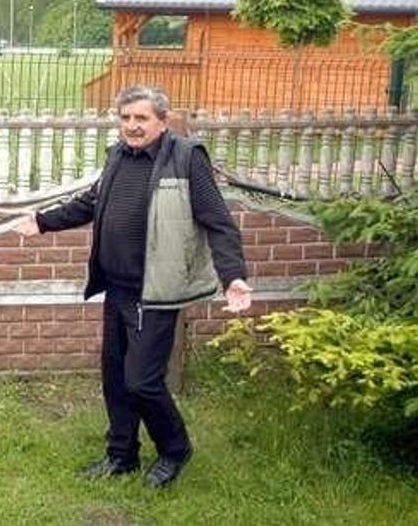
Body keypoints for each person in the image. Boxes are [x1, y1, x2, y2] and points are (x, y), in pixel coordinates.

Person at [15, 85, 252, 488]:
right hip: (118, 288)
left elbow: (218, 221)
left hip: (156, 292)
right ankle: (121, 455)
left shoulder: (185, 158)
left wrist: (234, 277)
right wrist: (42, 221)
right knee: (115, 377)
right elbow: (92, 203)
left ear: (162, 120)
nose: (131, 126)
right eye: (125, 118)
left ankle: (174, 450)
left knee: (141, 380)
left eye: (140, 118)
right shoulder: (117, 156)